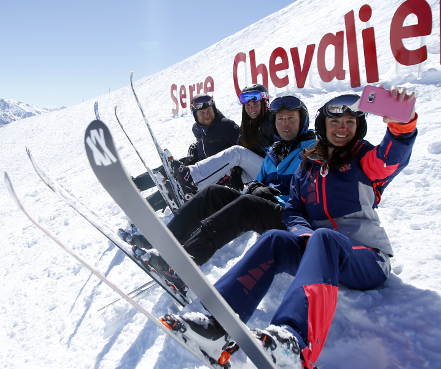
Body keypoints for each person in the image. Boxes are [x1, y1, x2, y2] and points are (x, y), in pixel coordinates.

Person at [161, 86, 418, 369]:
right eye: (335, 122)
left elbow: (393, 156)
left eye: (349, 123)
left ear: (359, 126)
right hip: (321, 251)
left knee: (324, 238)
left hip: (365, 257)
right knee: (274, 239)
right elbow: (294, 210)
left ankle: (293, 340)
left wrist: (402, 125)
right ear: (324, 125)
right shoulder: (309, 165)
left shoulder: (364, 160)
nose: (342, 128)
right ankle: (218, 326)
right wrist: (301, 233)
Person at [122, 95, 315, 269]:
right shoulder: (275, 152)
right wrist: (254, 186)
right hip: (264, 206)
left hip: (291, 218)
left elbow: (312, 195)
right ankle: (161, 242)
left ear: (303, 120)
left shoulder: (313, 151)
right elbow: (260, 182)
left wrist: (272, 193)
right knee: (212, 193)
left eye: (291, 118)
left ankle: (184, 264)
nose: (284, 124)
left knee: (246, 203)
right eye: (280, 119)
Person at [132, 93, 240, 211]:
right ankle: (135, 184)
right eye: (202, 113)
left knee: (176, 186)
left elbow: (242, 151)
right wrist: (196, 149)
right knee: (170, 167)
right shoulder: (197, 128)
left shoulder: (228, 126)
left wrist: (236, 173)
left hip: (216, 174)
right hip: (200, 163)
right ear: (195, 115)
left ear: (214, 108)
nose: (207, 115)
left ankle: (141, 208)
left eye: (209, 110)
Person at [174, 83, 277, 196]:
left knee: (236, 152)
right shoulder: (247, 124)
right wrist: (236, 173)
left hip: (275, 173)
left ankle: (191, 176)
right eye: (247, 105)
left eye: (255, 104)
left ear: (265, 102)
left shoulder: (274, 121)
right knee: (221, 167)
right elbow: (243, 147)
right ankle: (195, 192)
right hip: (258, 172)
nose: (251, 108)